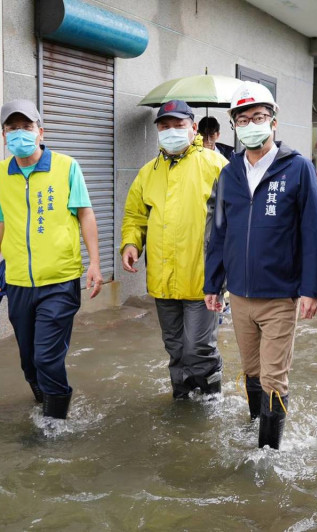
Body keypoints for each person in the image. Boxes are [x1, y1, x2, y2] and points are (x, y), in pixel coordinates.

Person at [204, 81, 317, 450]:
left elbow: (313, 231)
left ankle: (268, 454)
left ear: (273, 122)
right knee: (252, 371)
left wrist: (311, 289)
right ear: (235, 127)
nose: (251, 123)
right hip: (239, 294)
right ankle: (256, 428)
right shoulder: (229, 174)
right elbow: (217, 232)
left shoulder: (298, 168)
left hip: (279, 295)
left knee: (274, 377)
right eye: (243, 119)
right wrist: (213, 284)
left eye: (258, 116)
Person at [0, 99, 103, 420]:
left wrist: (94, 263)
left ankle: (55, 421)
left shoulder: (66, 166)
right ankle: (44, 401)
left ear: (40, 132)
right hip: (17, 280)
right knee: (29, 360)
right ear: (4, 135)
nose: (19, 133)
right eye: (12, 128)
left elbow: (85, 214)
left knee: (47, 357)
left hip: (59, 280)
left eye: (26, 127)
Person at [121, 100, 227, 399]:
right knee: (175, 346)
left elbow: (235, 218)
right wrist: (131, 242)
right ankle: (182, 397)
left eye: (178, 125)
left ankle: (210, 396)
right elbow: (135, 215)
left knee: (199, 347)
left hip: (202, 278)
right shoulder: (148, 172)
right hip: (163, 278)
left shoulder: (216, 165)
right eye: (164, 126)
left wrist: (226, 272)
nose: (171, 132)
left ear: (193, 128)